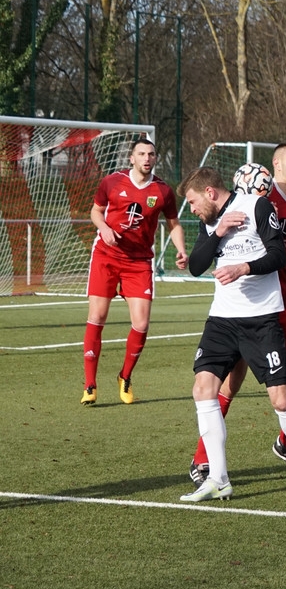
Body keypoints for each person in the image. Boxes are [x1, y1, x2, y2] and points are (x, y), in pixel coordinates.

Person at [179, 167, 286, 501]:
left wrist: (243, 268)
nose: (191, 209)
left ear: (209, 192)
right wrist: (219, 231)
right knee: (203, 389)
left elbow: (278, 256)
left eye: (192, 201)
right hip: (222, 319)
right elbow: (196, 265)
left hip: (261, 319)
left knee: (281, 399)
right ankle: (218, 477)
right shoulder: (210, 221)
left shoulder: (257, 207)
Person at [82, 137, 188, 406]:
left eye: (151, 154)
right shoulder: (111, 182)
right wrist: (104, 228)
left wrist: (181, 249)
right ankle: (90, 384)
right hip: (106, 257)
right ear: (131, 158)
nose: (146, 158)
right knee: (97, 317)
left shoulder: (163, 191)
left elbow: (174, 224)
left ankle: (125, 377)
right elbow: (95, 212)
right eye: (141, 154)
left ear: (155, 158)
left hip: (139, 263)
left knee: (141, 324)